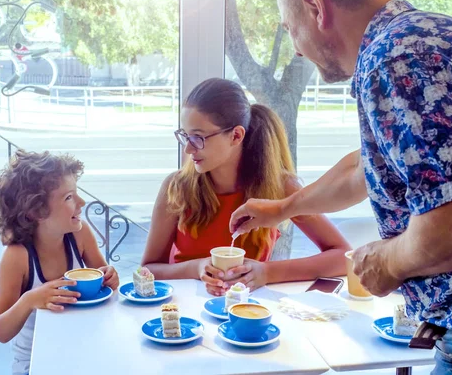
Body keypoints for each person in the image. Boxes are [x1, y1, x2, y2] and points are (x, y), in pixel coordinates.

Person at [229, 0, 452, 373]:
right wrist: (281, 209)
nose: (295, 47)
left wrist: (387, 262)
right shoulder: (429, 36)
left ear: (316, 8)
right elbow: (366, 168)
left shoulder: (396, 59)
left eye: (289, 27)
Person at [141, 78, 350, 295]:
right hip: (182, 313)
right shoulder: (176, 187)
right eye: (185, 136)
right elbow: (148, 269)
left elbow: (343, 256)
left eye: (198, 137)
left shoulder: (280, 187)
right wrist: (197, 267)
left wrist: (267, 272)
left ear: (236, 135)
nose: (188, 149)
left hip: (246, 311)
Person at [0, 150, 119, 375]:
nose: (82, 202)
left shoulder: (80, 235)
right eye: (69, 197)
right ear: (36, 211)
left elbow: (104, 280)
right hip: (36, 363)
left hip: (81, 352)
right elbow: (0, 331)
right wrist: (30, 300)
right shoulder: (17, 257)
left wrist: (109, 276)